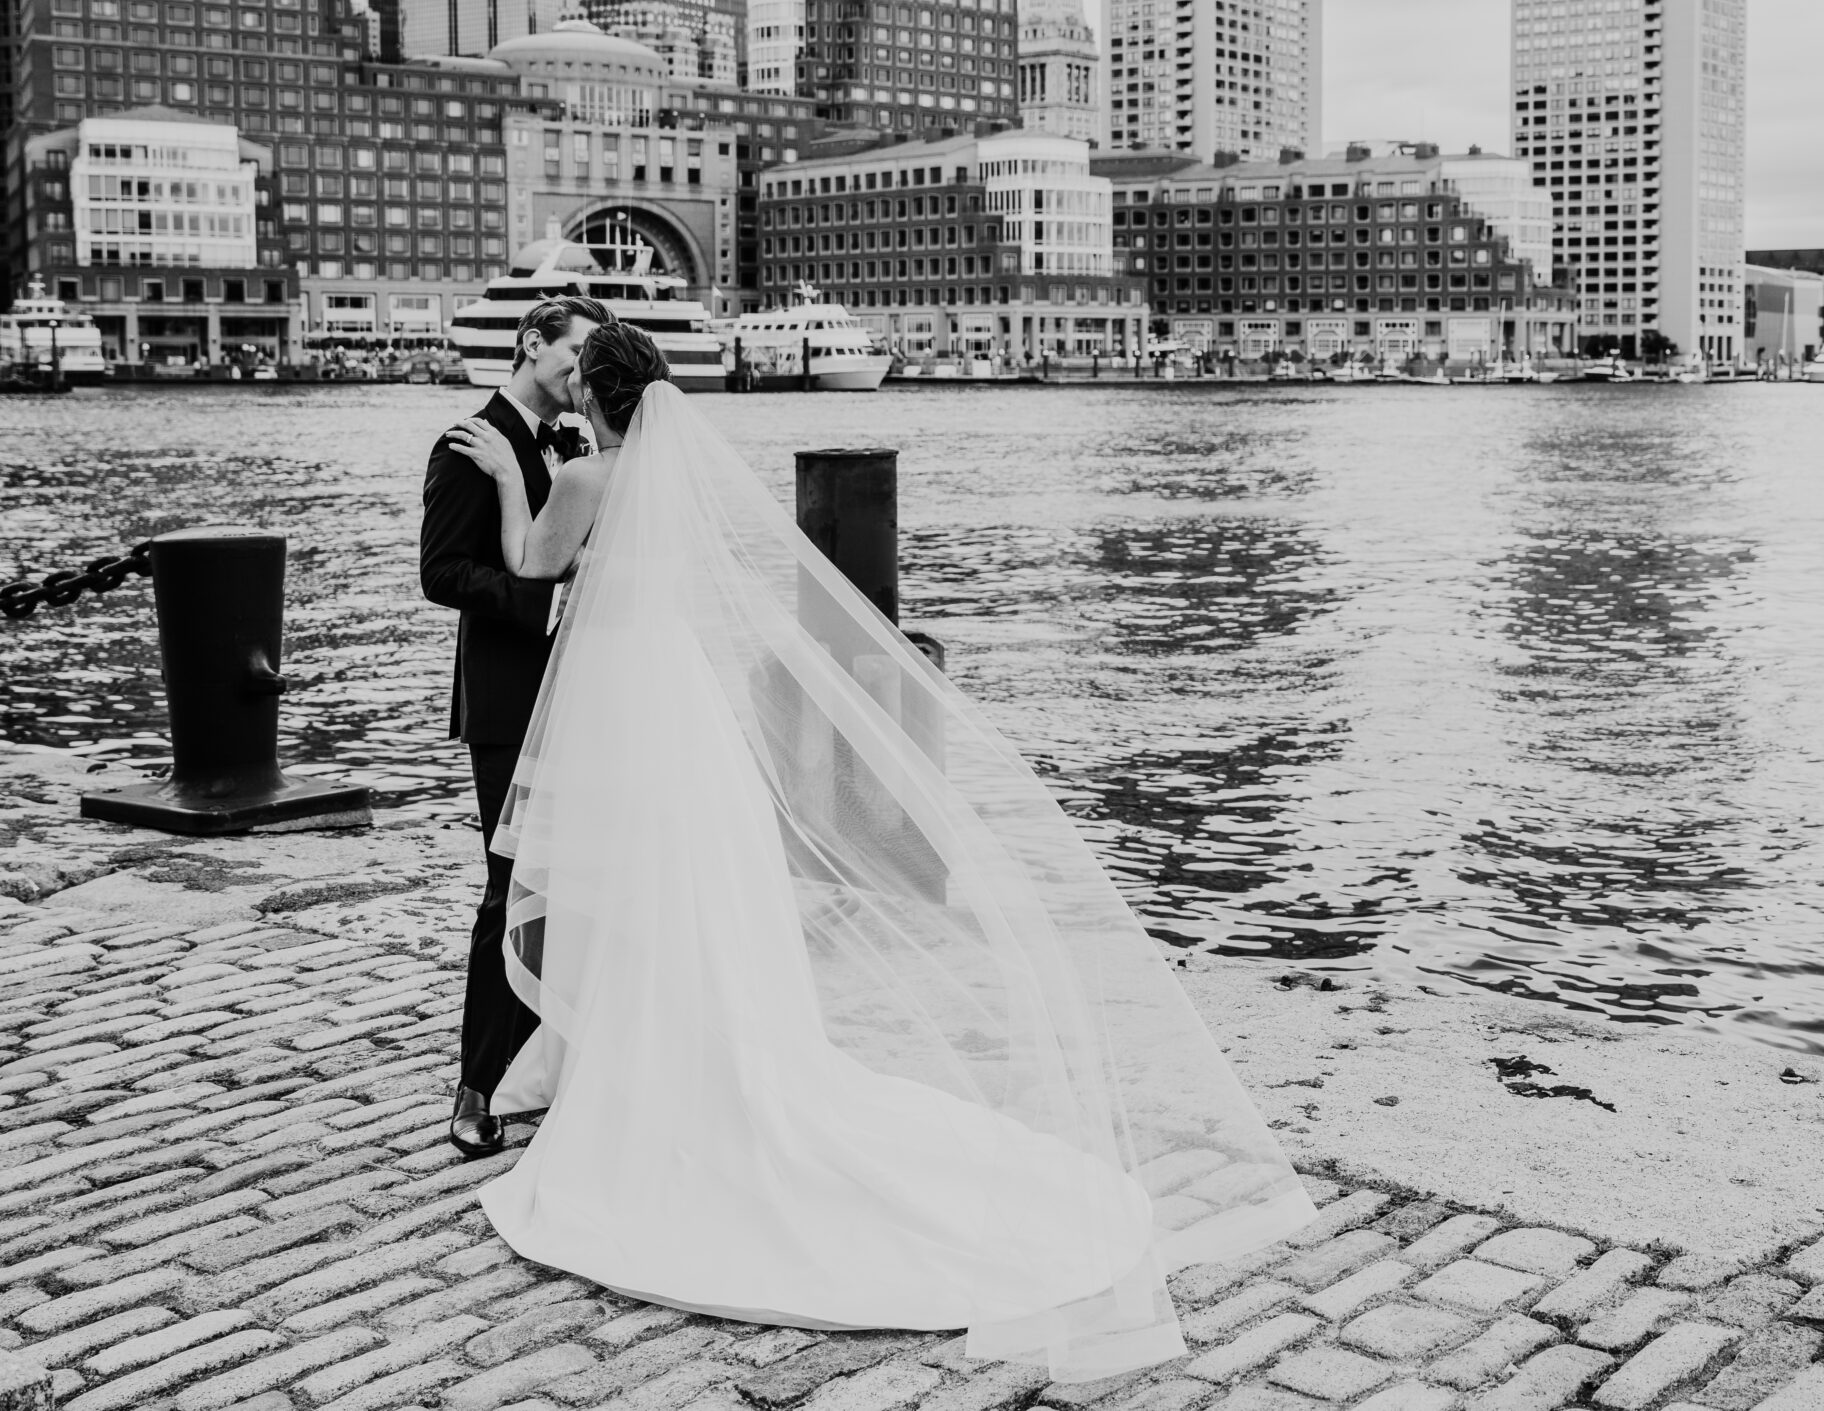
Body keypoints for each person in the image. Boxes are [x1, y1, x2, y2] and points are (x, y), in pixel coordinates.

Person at [436, 321, 1311, 1379]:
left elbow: (533, 567)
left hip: (616, 698)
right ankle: (675, 1061)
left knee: (632, 890)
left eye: (579, 385)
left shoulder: (581, 478)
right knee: (698, 885)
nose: (569, 398)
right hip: (680, 697)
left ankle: (630, 1077)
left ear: (599, 397)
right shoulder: (664, 477)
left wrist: (510, 476)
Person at [420, 294, 612, 1158]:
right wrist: (545, 604)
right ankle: (476, 1086)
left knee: (575, 885)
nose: (580, 376)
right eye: (571, 357)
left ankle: (554, 1057)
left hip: (588, 696)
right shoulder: (469, 442)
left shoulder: (575, 445)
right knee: (510, 887)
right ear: (531, 345)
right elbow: (442, 571)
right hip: (507, 703)